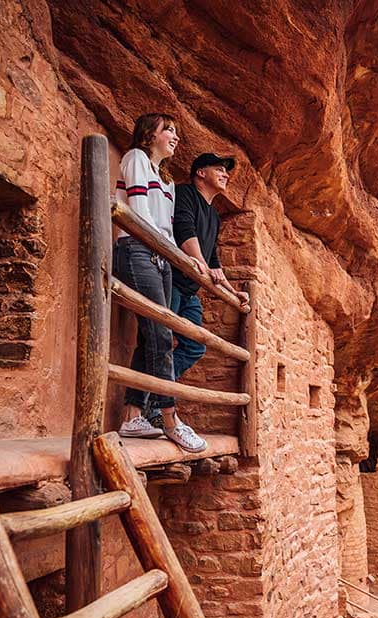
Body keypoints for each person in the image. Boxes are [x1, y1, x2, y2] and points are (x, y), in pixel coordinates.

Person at [112, 113, 207, 453]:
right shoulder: (135, 158)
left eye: (177, 131)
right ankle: (170, 420)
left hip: (161, 258)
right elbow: (139, 214)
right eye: (168, 129)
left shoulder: (166, 180)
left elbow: (166, 229)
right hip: (137, 250)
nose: (175, 136)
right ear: (149, 134)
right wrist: (167, 252)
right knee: (162, 335)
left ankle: (132, 415)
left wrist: (187, 259)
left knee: (151, 336)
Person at [146, 153, 248, 429]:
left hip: (190, 289)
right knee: (159, 343)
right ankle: (153, 405)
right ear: (200, 172)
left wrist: (232, 290)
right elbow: (183, 229)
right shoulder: (185, 193)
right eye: (219, 169)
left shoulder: (214, 215)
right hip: (172, 280)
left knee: (194, 346)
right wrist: (201, 264)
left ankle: (155, 399)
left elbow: (211, 258)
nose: (225, 175)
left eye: (226, 172)